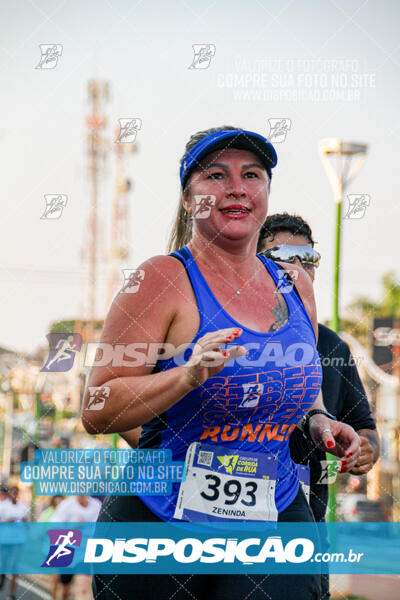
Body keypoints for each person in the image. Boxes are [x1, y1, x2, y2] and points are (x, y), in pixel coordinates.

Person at [82, 125, 361, 600]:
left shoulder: (296, 286)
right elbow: (97, 408)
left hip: (272, 509)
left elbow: (298, 378)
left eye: (251, 175)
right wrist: (188, 375)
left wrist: (317, 420)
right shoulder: (159, 279)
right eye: (216, 175)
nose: (236, 188)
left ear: (266, 193)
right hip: (160, 518)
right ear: (189, 199)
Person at [258, 212, 379, 599]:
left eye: (307, 260)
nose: (296, 270)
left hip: (306, 533)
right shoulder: (222, 331)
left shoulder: (332, 347)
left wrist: (363, 450)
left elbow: (365, 429)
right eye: (281, 258)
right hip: (228, 530)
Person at [49, 495, 101, 600]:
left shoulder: (96, 506)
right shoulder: (66, 505)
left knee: (83, 587)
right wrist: (73, 526)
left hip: (85, 552)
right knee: (65, 590)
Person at [0, 486, 29, 600]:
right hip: (4, 540)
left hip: (18, 541)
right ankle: (2, 578)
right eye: (12, 493)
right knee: (3, 565)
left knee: (14, 567)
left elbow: (27, 523)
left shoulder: (23, 507)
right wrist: (6, 521)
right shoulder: (2, 506)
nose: (14, 495)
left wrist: (25, 523)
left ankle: (11, 594)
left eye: (16, 493)